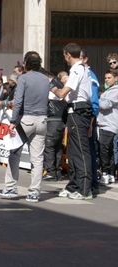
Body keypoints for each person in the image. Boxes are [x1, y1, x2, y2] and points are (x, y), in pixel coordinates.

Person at [0, 51, 49, 203]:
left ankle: (11, 187)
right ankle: (34, 192)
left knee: (14, 153)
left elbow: (18, 101)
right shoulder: (45, 79)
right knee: (37, 158)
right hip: (42, 120)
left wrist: (13, 121)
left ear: (25, 63)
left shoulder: (24, 78)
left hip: (26, 119)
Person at [51, 43, 94, 200]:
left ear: (68, 54)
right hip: (75, 110)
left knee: (81, 152)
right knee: (74, 152)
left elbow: (63, 93)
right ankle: (73, 186)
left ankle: (84, 189)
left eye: (64, 55)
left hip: (79, 111)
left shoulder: (77, 69)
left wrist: (53, 88)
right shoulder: (80, 69)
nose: (65, 58)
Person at [81, 49, 100, 194]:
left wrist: (91, 121)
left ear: (85, 59)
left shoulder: (90, 77)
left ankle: (92, 183)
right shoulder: (82, 75)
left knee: (88, 151)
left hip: (89, 118)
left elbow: (93, 102)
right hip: (84, 117)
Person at [98, 69, 118, 186]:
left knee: (104, 149)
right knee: (108, 150)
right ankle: (110, 174)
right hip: (104, 123)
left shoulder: (115, 91)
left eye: (109, 78)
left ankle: (105, 173)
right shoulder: (108, 91)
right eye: (105, 78)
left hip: (110, 124)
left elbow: (105, 105)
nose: (106, 80)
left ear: (116, 78)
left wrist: (95, 102)